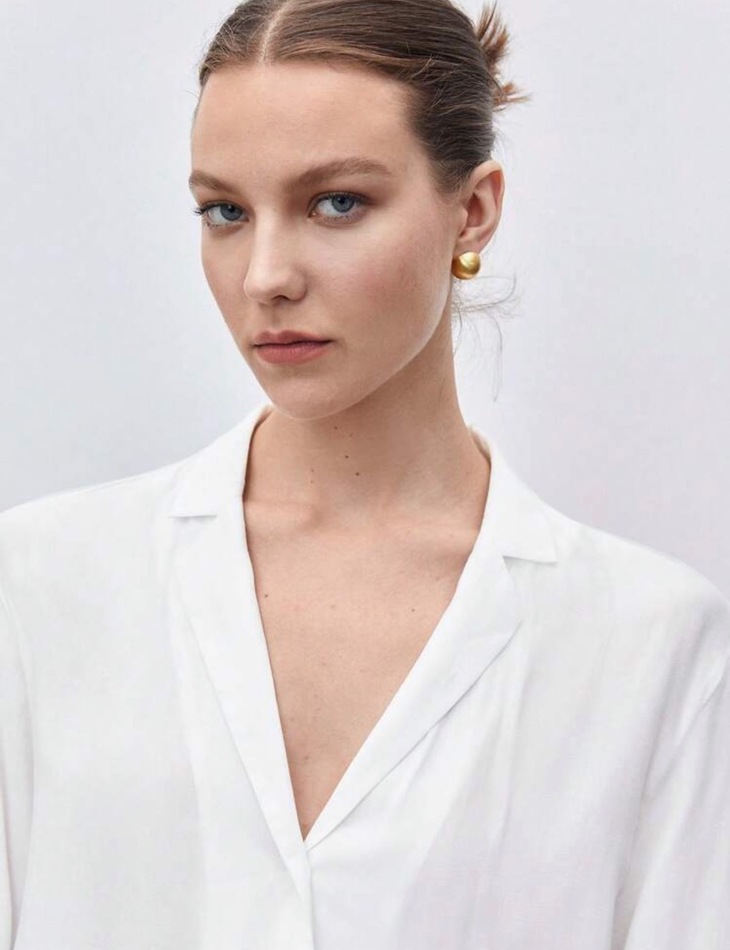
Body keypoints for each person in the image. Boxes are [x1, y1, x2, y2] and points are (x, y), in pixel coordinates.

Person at [1, 0, 728, 947]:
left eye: (336, 202)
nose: (265, 276)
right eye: (226, 211)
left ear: (473, 209)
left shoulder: (647, 645)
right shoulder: (40, 586)